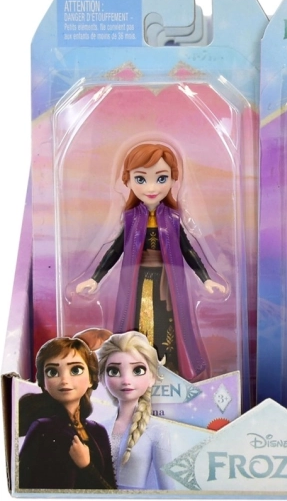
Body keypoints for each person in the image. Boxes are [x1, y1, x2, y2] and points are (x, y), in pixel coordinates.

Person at [76, 143, 225, 380]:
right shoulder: (132, 219)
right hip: (139, 281)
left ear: (173, 179)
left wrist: (206, 280)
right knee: (139, 319)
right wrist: (95, 279)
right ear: (128, 180)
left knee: (168, 320)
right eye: (141, 179)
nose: (152, 187)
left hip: (167, 282)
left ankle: (168, 363)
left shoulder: (172, 219)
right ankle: (138, 364)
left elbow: (187, 250)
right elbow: (115, 250)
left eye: (161, 178)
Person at [18, 337, 116, 490]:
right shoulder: (43, 428)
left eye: (75, 370)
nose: (64, 380)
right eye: (52, 372)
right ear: (43, 382)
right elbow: (22, 485)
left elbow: (112, 492)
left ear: (91, 379)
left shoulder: (98, 431)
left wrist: (86, 466)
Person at [97, 331, 177, 490]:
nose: (126, 380)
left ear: (152, 377)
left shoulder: (156, 431)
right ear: (103, 378)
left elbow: (168, 489)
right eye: (114, 371)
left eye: (138, 370)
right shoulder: (99, 428)